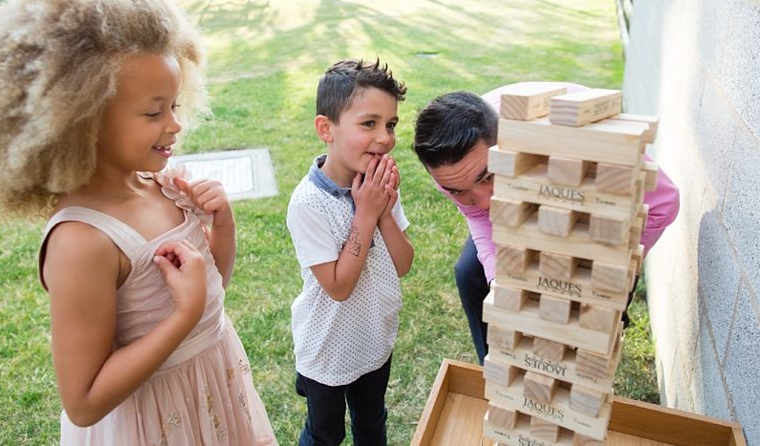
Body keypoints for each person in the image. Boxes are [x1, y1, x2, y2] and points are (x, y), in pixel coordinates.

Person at [0, 0, 277, 445]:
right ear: (81, 119)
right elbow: (84, 401)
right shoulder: (82, 242)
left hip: (209, 394)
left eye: (174, 105)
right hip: (149, 425)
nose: (175, 125)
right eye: (154, 112)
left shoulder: (162, 186)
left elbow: (210, 292)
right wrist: (181, 318)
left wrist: (221, 229)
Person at [412, 82, 680, 364]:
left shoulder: (581, 145)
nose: (482, 201)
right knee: (471, 273)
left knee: (582, 306)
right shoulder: (452, 173)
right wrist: (500, 281)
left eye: (488, 177)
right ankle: (497, 366)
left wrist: (611, 265)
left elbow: (665, 202)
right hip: (524, 198)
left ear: (506, 142)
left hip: (588, 204)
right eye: (459, 191)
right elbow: (478, 214)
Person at [286, 59, 414, 446]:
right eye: (369, 123)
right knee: (326, 433)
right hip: (327, 348)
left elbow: (403, 264)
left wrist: (384, 211)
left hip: (375, 337)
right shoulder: (308, 203)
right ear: (327, 128)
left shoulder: (378, 185)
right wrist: (367, 213)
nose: (385, 137)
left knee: (372, 422)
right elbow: (338, 287)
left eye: (390, 125)